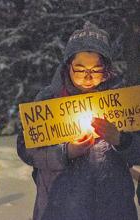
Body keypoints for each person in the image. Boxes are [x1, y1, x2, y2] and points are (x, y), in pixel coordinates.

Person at [17, 22, 140, 220]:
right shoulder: (49, 99)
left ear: (106, 69)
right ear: (68, 66)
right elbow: (26, 149)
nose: (88, 77)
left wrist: (120, 139)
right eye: (81, 69)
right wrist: (66, 152)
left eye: (96, 69)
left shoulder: (123, 102)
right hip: (60, 207)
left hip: (112, 207)